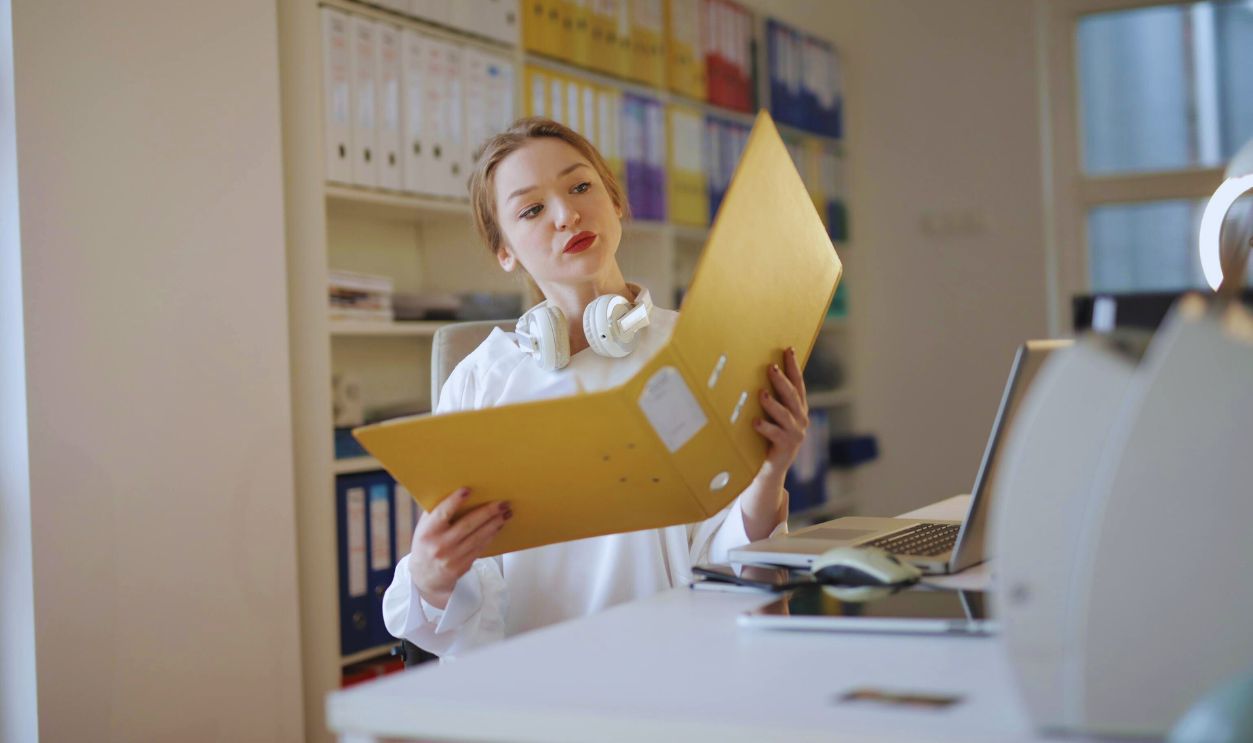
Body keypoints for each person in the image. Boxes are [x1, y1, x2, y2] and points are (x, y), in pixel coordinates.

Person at [383, 117, 810, 659]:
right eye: (532, 209)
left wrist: (770, 471)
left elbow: (736, 575)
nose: (567, 215)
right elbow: (467, 605)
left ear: (616, 202)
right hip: (537, 684)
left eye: (580, 186)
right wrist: (431, 573)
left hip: (680, 669)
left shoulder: (700, 348)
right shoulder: (480, 378)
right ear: (505, 252)